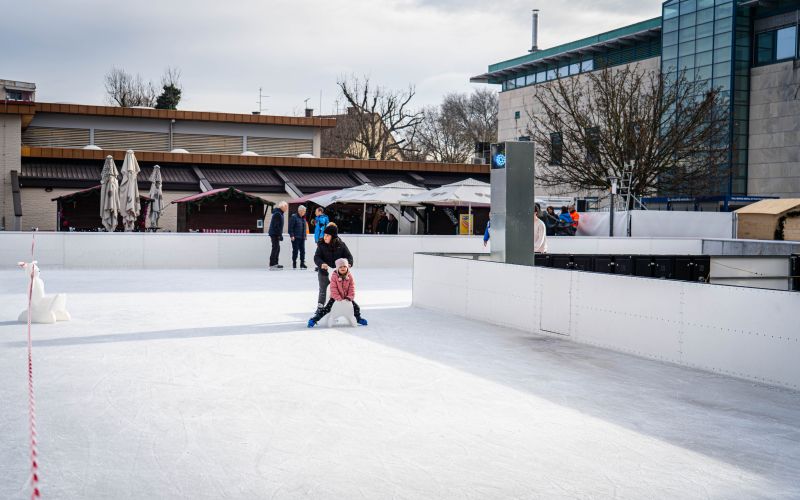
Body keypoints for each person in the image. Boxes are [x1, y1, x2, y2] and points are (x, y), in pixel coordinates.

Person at [308, 258, 368, 328]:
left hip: (346, 297)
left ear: (347, 267)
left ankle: (358, 318)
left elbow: (351, 288)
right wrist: (338, 297)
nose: (343, 268)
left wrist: (349, 297)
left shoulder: (349, 277)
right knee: (326, 309)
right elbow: (333, 289)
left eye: (344, 266)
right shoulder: (334, 277)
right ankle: (314, 319)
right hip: (335, 298)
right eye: (340, 267)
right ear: (337, 268)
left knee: (356, 307)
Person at [311, 224, 354, 319]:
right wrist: (321, 264)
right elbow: (316, 257)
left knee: (337, 290)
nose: (325, 237)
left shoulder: (341, 245)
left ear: (333, 237)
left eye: (327, 235)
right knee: (323, 289)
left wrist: (349, 263)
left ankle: (335, 308)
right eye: (324, 234)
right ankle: (320, 307)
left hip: (338, 273)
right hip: (324, 271)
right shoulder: (321, 244)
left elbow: (349, 257)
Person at [268, 201, 288, 270]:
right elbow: (276, 226)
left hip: (275, 233)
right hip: (274, 233)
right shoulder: (277, 214)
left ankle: (275, 263)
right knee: (275, 248)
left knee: (277, 248)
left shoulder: (280, 213)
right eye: (286, 206)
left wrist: (279, 234)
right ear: (282, 206)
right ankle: (272, 264)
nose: (287, 208)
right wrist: (279, 235)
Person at [288, 205, 308, 269]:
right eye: (304, 211)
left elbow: (304, 228)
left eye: (305, 211)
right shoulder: (294, 217)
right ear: (300, 211)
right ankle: (294, 263)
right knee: (295, 251)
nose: (304, 212)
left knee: (303, 251)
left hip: (302, 237)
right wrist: (292, 235)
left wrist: (305, 235)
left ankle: (302, 264)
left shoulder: (303, 218)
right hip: (296, 237)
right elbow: (290, 228)